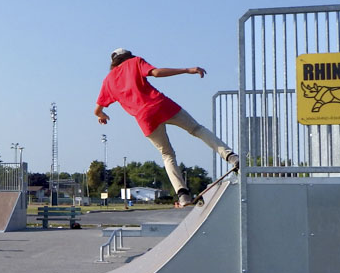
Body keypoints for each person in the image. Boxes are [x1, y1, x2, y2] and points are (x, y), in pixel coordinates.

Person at [94, 48, 238, 208]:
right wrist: (187, 70)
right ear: (128, 56)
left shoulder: (108, 81)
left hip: (145, 119)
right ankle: (231, 157)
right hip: (161, 105)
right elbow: (155, 72)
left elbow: (97, 109)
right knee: (197, 129)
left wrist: (102, 115)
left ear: (113, 62)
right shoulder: (135, 62)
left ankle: (183, 195)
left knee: (167, 154)